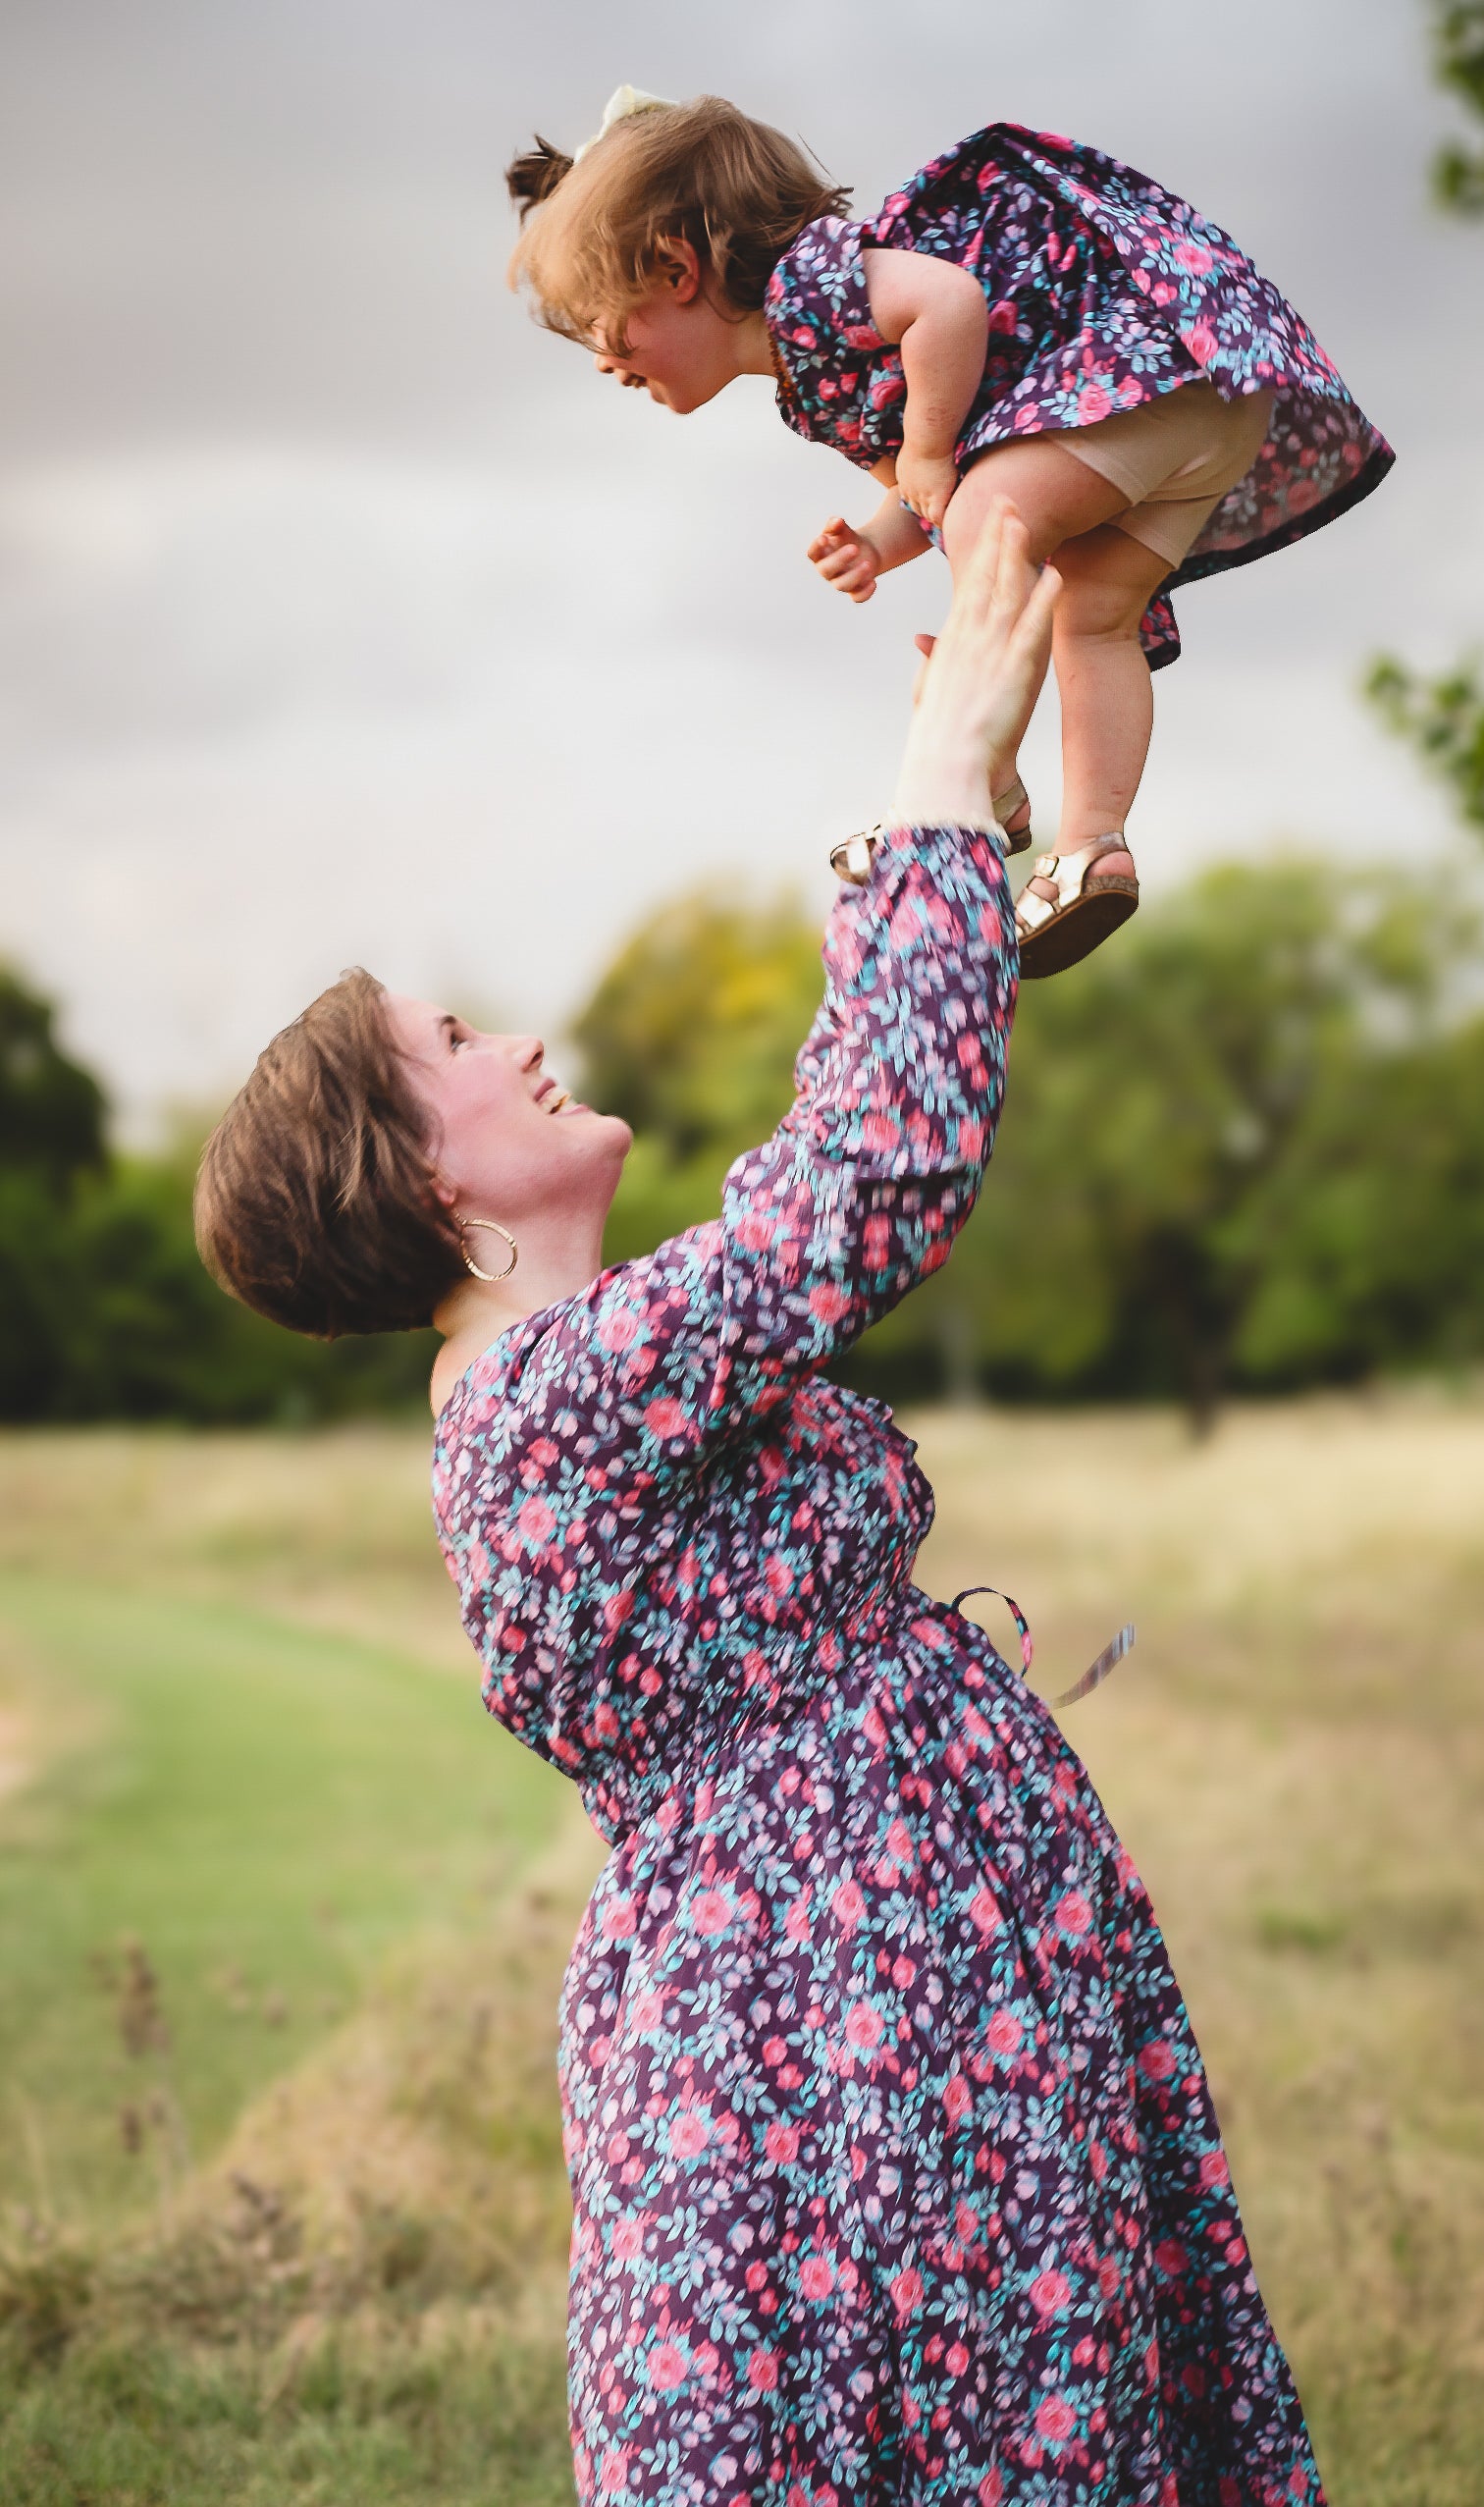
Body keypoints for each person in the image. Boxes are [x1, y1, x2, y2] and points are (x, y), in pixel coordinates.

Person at [195, 506, 1327, 2506]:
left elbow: (824, 1154)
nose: (522, 1038)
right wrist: (924, 793)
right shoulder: (542, 1406)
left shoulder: (594, 1360)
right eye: (460, 1046)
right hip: (837, 2023)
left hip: (889, 1970)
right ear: (426, 1188)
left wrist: (964, 796)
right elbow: (865, 1174)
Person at [505, 89, 1393, 976]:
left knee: (995, 526)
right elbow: (940, 492)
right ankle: (1092, 848)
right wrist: (879, 540)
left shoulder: (814, 285)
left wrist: (927, 450)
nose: (600, 358)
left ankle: (979, 782)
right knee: (1089, 616)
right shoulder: (807, 382)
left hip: (1145, 364)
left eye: (600, 320)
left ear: (675, 269)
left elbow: (950, 305)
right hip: (1200, 417)